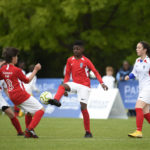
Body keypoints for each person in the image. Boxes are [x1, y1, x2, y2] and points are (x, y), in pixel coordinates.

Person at [48, 40, 108, 138]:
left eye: (78, 49)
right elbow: (67, 75)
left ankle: (88, 132)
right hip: (75, 84)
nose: (75, 51)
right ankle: (56, 100)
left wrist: (102, 83)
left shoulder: (86, 60)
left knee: (83, 108)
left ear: (82, 50)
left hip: (85, 86)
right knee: (62, 85)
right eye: (74, 49)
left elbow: (95, 72)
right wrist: (65, 88)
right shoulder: (69, 60)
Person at [0, 47, 47, 138]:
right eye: (16, 56)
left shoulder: (3, 69)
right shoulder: (16, 70)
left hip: (12, 97)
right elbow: (27, 80)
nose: (17, 58)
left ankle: (27, 134)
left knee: (29, 112)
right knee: (41, 110)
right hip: (20, 94)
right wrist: (36, 69)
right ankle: (30, 128)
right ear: (13, 58)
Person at [125, 41, 150, 138]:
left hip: (148, 88)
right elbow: (134, 73)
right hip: (142, 88)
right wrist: (128, 76)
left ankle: (139, 131)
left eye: (139, 48)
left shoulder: (149, 61)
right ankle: (138, 131)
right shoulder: (137, 60)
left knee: (138, 107)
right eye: (136, 47)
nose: (137, 49)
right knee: (146, 112)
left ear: (145, 50)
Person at [0, 59, 24, 136]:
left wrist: (12, 99)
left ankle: (20, 132)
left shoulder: (4, 76)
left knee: (11, 114)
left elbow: (6, 89)